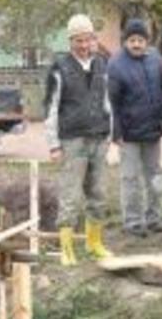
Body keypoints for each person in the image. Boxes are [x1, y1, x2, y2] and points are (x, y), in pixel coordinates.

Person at [43, 14, 113, 265]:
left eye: (87, 39)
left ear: (93, 39)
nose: (83, 46)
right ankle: (67, 248)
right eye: (78, 41)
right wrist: (53, 145)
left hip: (98, 137)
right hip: (72, 141)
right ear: (70, 41)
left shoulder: (102, 64)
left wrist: (110, 134)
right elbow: (50, 108)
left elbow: (107, 102)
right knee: (70, 195)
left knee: (99, 192)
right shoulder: (59, 68)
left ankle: (94, 243)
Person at [107, 19, 162, 238]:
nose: (136, 44)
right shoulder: (115, 64)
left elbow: (161, 91)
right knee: (130, 178)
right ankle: (133, 222)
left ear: (147, 41)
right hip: (129, 134)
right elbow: (112, 102)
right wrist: (116, 132)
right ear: (126, 41)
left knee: (155, 175)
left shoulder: (154, 59)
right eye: (132, 40)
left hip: (153, 129)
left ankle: (155, 218)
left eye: (140, 40)